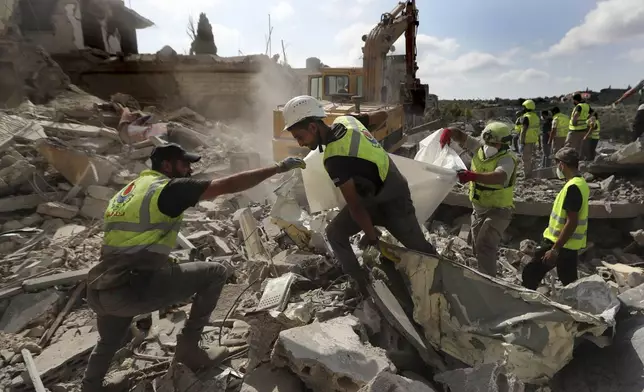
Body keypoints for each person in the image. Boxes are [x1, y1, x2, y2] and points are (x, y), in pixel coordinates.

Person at [81, 143, 305, 392]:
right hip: (133, 289)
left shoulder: (127, 192)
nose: (189, 169)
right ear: (167, 165)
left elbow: (128, 243)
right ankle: (189, 351)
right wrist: (277, 167)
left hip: (102, 287)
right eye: (184, 163)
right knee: (215, 273)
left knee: (109, 340)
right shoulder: (167, 189)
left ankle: (90, 385)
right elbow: (227, 185)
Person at [282, 95, 436, 295]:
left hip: (390, 202)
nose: (300, 143)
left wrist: (373, 239)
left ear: (312, 127)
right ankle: (365, 284)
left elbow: (355, 206)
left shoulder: (334, 158)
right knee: (335, 233)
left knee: (420, 251)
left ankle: (367, 287)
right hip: (386, 191)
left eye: (299, 137)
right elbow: (382, 115)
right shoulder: (348, 120)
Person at [439, 122, 517, 277]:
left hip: (498, 210)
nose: (488, 146)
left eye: (493, 143)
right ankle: (484, 275)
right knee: (477, 247)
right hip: (479, 209)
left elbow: (498, 177)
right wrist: (448, 132)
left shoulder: (507, 159)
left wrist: (471, 176)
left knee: (485, 245)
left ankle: (489, 285)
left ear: (503, 144)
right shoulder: (479, 147)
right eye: (486, 142)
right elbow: (459, 135)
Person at [522, 147, 588, 290]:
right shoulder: (580, 183)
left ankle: (528, 303)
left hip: (558, 243)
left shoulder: (573, 187)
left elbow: (572, 222)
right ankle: (577, 306)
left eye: (558, 164)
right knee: (569, 281)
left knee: (530, 273)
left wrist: (555, 249)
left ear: (562, 165)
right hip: (569, 245)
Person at [519, 100, 539, 178]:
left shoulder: (526, 117)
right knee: (533, 158)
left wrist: (521, 142)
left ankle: (527, 174)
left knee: (526, 159)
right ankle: (533, 172)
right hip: (535, 140)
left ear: (526, 107)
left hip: (527, 140)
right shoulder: (536, 117)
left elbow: (523, 131)